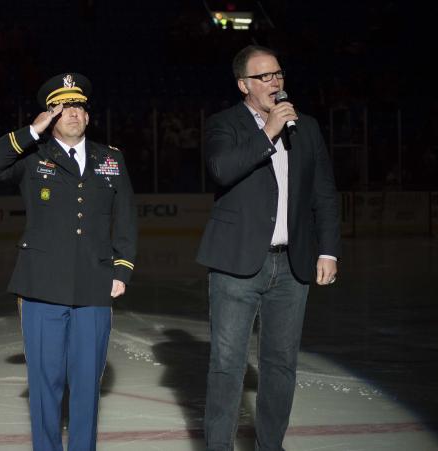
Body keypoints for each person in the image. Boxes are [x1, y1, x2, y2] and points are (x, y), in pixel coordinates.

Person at [0, 73, 137, 451]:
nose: (72, 113)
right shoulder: (33, 156)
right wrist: (31, 131)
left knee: (86, 383)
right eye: (62, 107)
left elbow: (127, 217)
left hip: (95, 283)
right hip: (41, 285)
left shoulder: (110, 159)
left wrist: (122, 268)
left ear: (88, 115)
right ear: (50, 115)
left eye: (79, 106)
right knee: (46, 382)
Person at [196, 45, 341, 451]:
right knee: (227, 366)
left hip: (292, 266)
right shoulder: (224, 125)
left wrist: (327, 250)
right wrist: (268, 132)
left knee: (281, 366)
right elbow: (222, 170)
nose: (274, 82)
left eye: (278, 74)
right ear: (244, 85)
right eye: (264, 76)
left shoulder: (306, 127)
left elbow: (324, 193)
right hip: (236, 264)